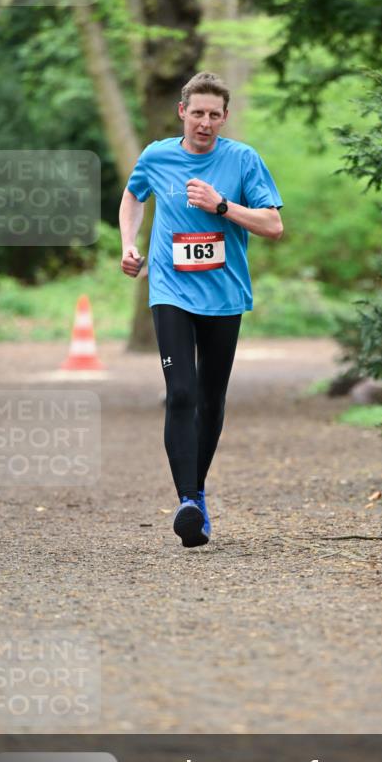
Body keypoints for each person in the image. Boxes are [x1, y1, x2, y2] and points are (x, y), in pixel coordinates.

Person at [119, 71, 283, 548]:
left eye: (214, 115)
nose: (205, 123)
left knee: (211, 400)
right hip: (170, 291)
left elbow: (272, 225)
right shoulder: (157, 156)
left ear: (225, 117)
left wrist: (221, 205)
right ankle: (188, 500)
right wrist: (129, 244)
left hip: (224, 295)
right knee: (182, 393)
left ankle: (198, 493)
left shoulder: (242, 160)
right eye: (197, 113)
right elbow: (133, 196)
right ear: (182, 113)